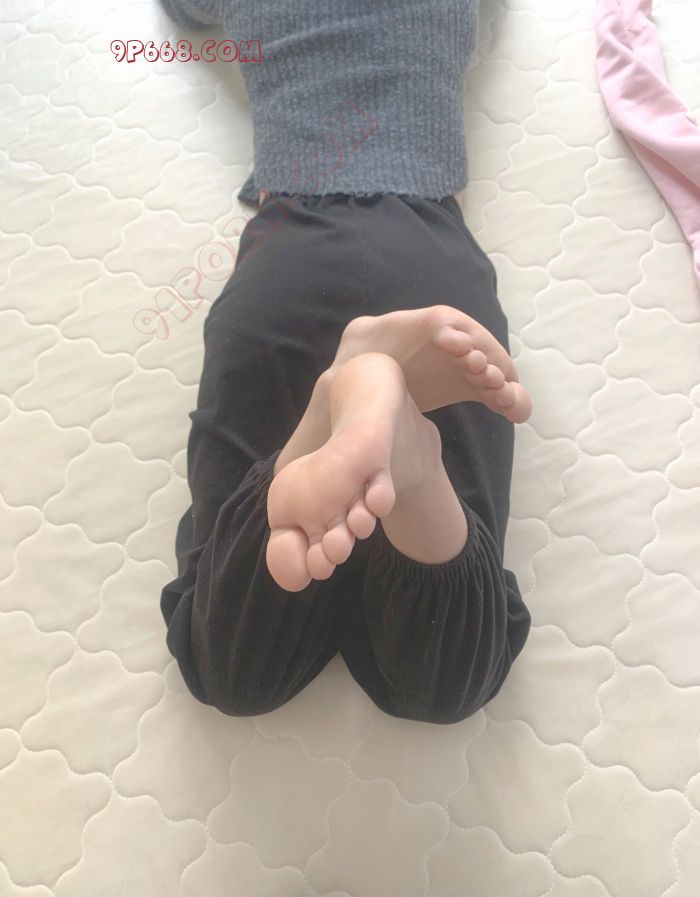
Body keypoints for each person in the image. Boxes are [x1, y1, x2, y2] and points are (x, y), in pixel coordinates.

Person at [158, 0, 534, 725]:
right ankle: (410, 459)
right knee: (444, 685)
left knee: (228, 669)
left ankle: (328, 415)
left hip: (289, 252)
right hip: (428, 254)